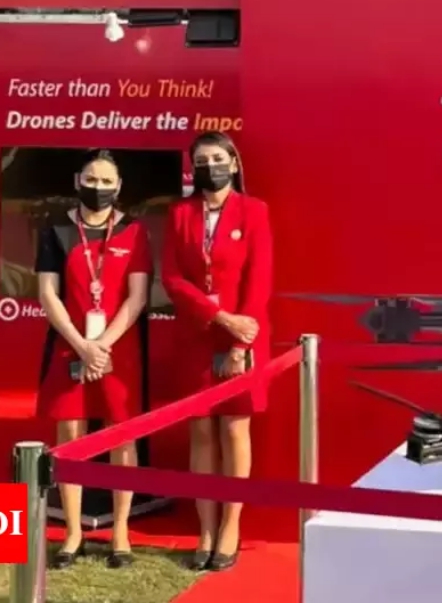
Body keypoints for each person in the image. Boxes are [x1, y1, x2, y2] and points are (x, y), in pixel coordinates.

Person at [161, 131, 273, 572]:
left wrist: (240, 342)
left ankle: (230, 526)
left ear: (234, 162)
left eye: (218, 158)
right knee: (202, 433)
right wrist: (219, 317)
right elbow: (172, 278)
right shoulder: (180, 213)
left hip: (243, 338)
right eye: (202, 161)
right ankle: (205, 529)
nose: (211, 167)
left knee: (234, 430)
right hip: (197, 335)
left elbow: (259, 280)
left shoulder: (254, 210)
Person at [35, 149, 152, 570]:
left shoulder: (134, 231)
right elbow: (48, 294)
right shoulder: (55, 229)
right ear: (77, 181)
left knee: (123, 437)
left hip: (119, 350)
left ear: (118, 187)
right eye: (91, 179)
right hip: (70, 346)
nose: (97, 188)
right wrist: (82, 345)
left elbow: (138, 297)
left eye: (106, 182)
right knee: (72, 438)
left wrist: (101, 344)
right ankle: (73, 533)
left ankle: (120, 531)